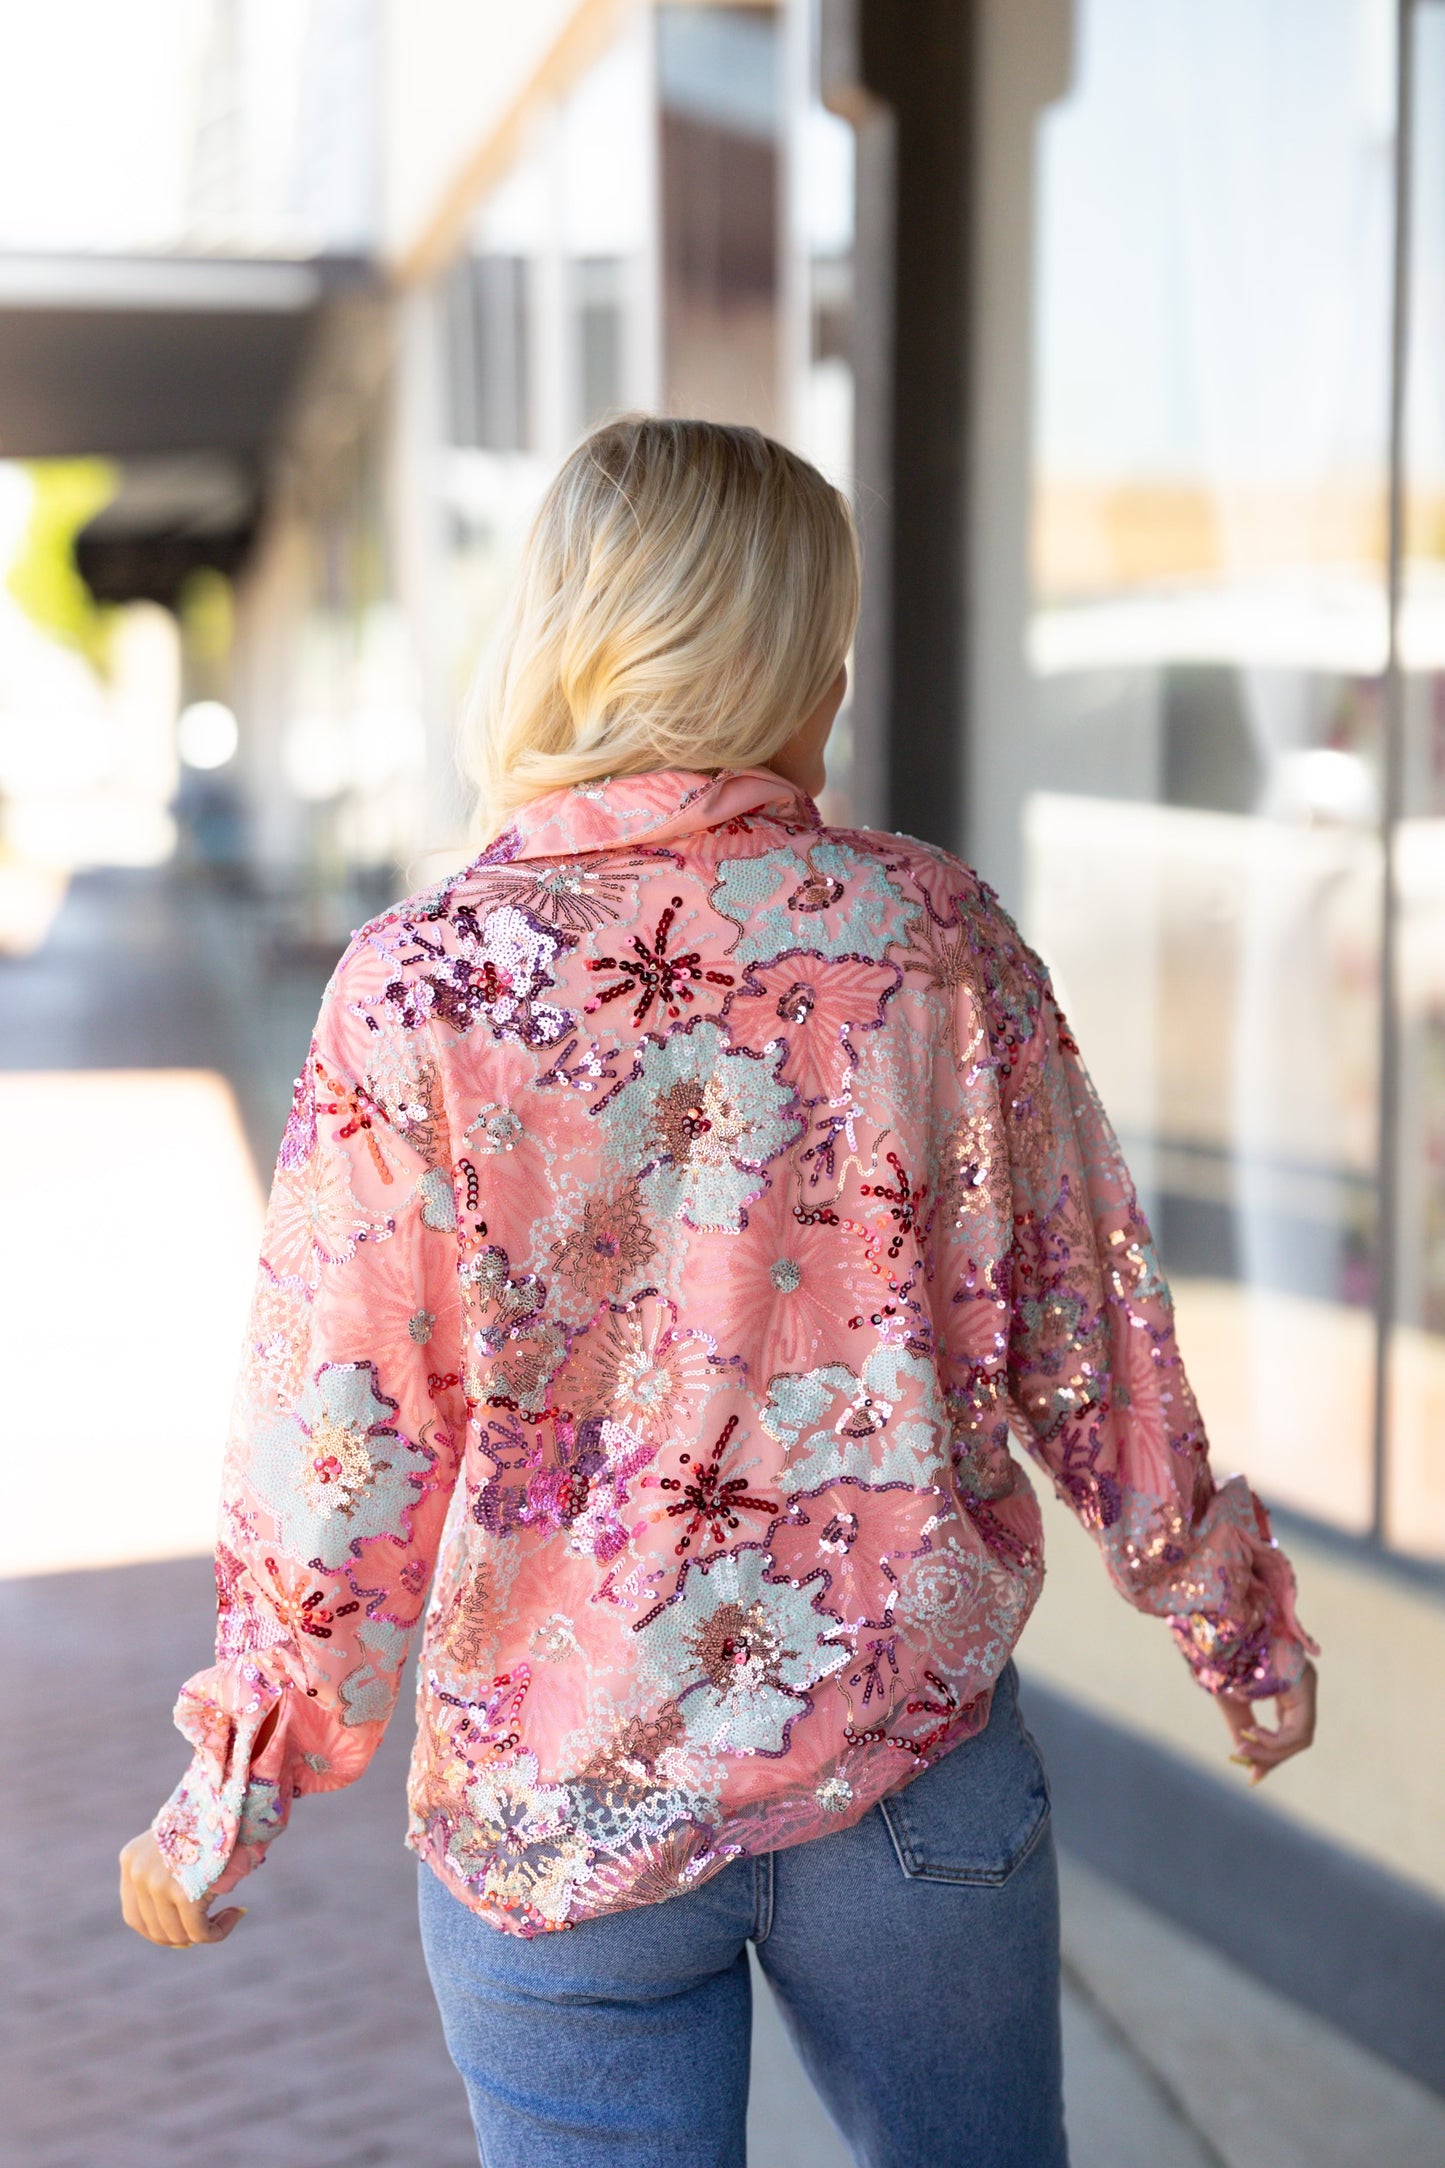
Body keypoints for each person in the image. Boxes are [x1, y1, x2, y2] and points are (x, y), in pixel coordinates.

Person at [120, 416, 1317, 2167]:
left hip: (554, 1812)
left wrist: (235, 1785)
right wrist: (1232, 1625)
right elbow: (1087, 1328)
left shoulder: (420, 987)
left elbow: (345, 1433)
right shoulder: (928, 939)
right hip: (905, 1770)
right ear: (781, 660)